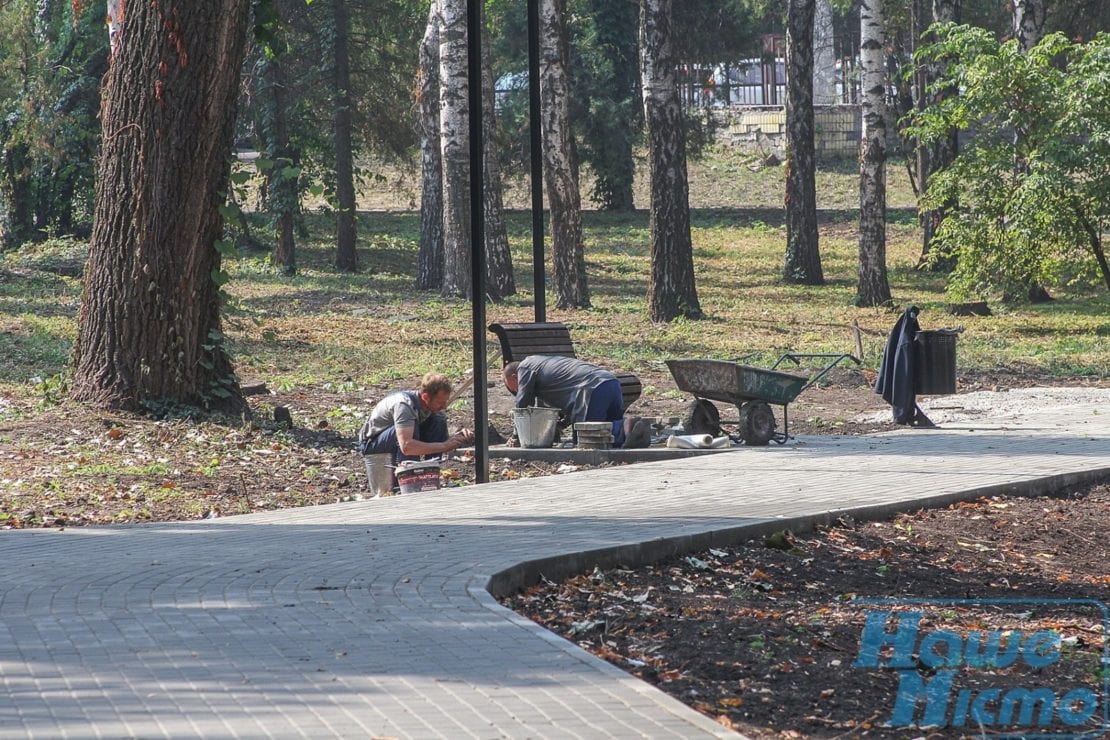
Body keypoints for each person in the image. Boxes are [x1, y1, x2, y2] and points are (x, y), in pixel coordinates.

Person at [502, 355, 652, 448]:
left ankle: (625, 425)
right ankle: (627, 428)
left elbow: (522, 404)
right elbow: (564, 406)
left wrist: (517, 436)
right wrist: (557, 427)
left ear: (514, 377)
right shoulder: (544, 369)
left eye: (512, 388)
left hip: (592, 388)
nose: (515, 392)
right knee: (607, 439)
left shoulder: (526, 367)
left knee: (588, 438)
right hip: (610, 382)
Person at [358, 373, 474, 463]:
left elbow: (439, 440)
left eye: (445, 402)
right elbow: (407, 446)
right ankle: (410, 477)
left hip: (400, 439)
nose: (444, 406)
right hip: (372, 444)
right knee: (410, 428)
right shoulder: (404, 405)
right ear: (425, 397)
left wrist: (457, 438)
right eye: (440, 402)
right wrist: (444, 446)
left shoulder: (430, 407)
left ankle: (430, 472)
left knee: (439, 420)